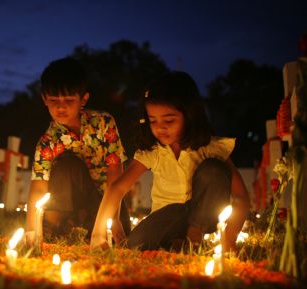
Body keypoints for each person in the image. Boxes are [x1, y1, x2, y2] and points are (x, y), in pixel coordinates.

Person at [90, 71, 250, 252]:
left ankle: (193, 239)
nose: (160, 127)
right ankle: (176, 244)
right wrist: (98, 234)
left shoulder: (209, 148)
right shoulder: (153, 152)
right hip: (165, 220)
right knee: (135, 246)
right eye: (153, 121)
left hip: (204, 218)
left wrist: (229, 240)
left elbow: (240, 197)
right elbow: (117, 188)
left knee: (214, 169)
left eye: (169, 120)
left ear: (189, 115)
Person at [26, 57, 131, 244]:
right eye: (53, 100)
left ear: (83, 99)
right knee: (67, 166)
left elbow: (115, 173)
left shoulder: (103, 124)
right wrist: (31, 234)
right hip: (71, 208)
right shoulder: (47, 142)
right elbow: (38, 188)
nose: (61, 106)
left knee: (114, 241)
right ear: (44, 99)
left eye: (68, 99)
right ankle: (53, 227)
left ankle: (90, 229)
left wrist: (113, 218)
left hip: (107, 203)